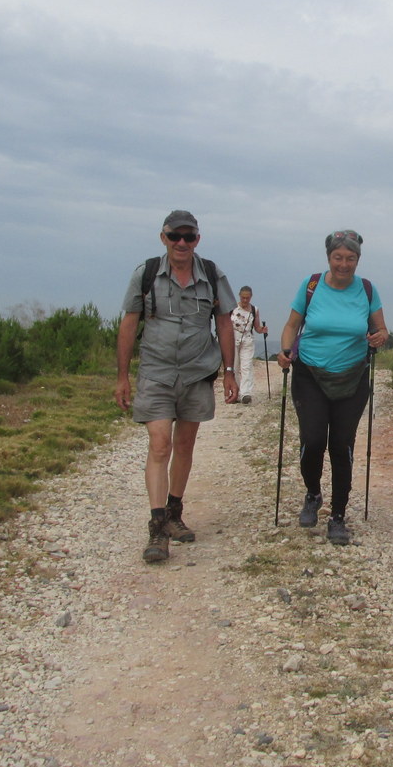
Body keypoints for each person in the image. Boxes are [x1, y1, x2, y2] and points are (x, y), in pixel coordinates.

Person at [115, 210, 238, 563]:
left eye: (189, 236)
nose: (182, 243)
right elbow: (129, 324)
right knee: (160, 443)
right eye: (175, 237)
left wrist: (230, 371)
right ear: (163, 238)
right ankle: (157, 529)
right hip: (156, 372)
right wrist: (122, 376)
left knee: (184, 444)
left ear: (197, 239)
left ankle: (174, 512)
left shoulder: (212, 275)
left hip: (198, 372)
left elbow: (225, 323)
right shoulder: (147, 274)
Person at [277, 230, 389, 545]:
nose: (343, 264)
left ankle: (338, 516)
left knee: (342, 446)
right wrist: (286, 350)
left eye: (350, 258)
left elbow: (381, 329)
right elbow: (291, 325)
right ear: (329, 258)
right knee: (312, 441)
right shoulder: (311, 285)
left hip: (352, 377)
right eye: (338, 257)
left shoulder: (367, 290)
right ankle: (313, 493)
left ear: (358, 259)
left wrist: (379, 337)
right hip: (309, 374)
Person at [231, 286, 268, 404]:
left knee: (246, 366)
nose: (245, 300)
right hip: (233, 339)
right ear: (239, 296)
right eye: (243, 297)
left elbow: (256, 327)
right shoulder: (232, 308)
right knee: (234, 367)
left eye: (247, 298)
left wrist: (262, 329)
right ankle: (235, 393)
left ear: (251, 297)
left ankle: (245, 393)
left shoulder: (254, 309)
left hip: (247, 340)